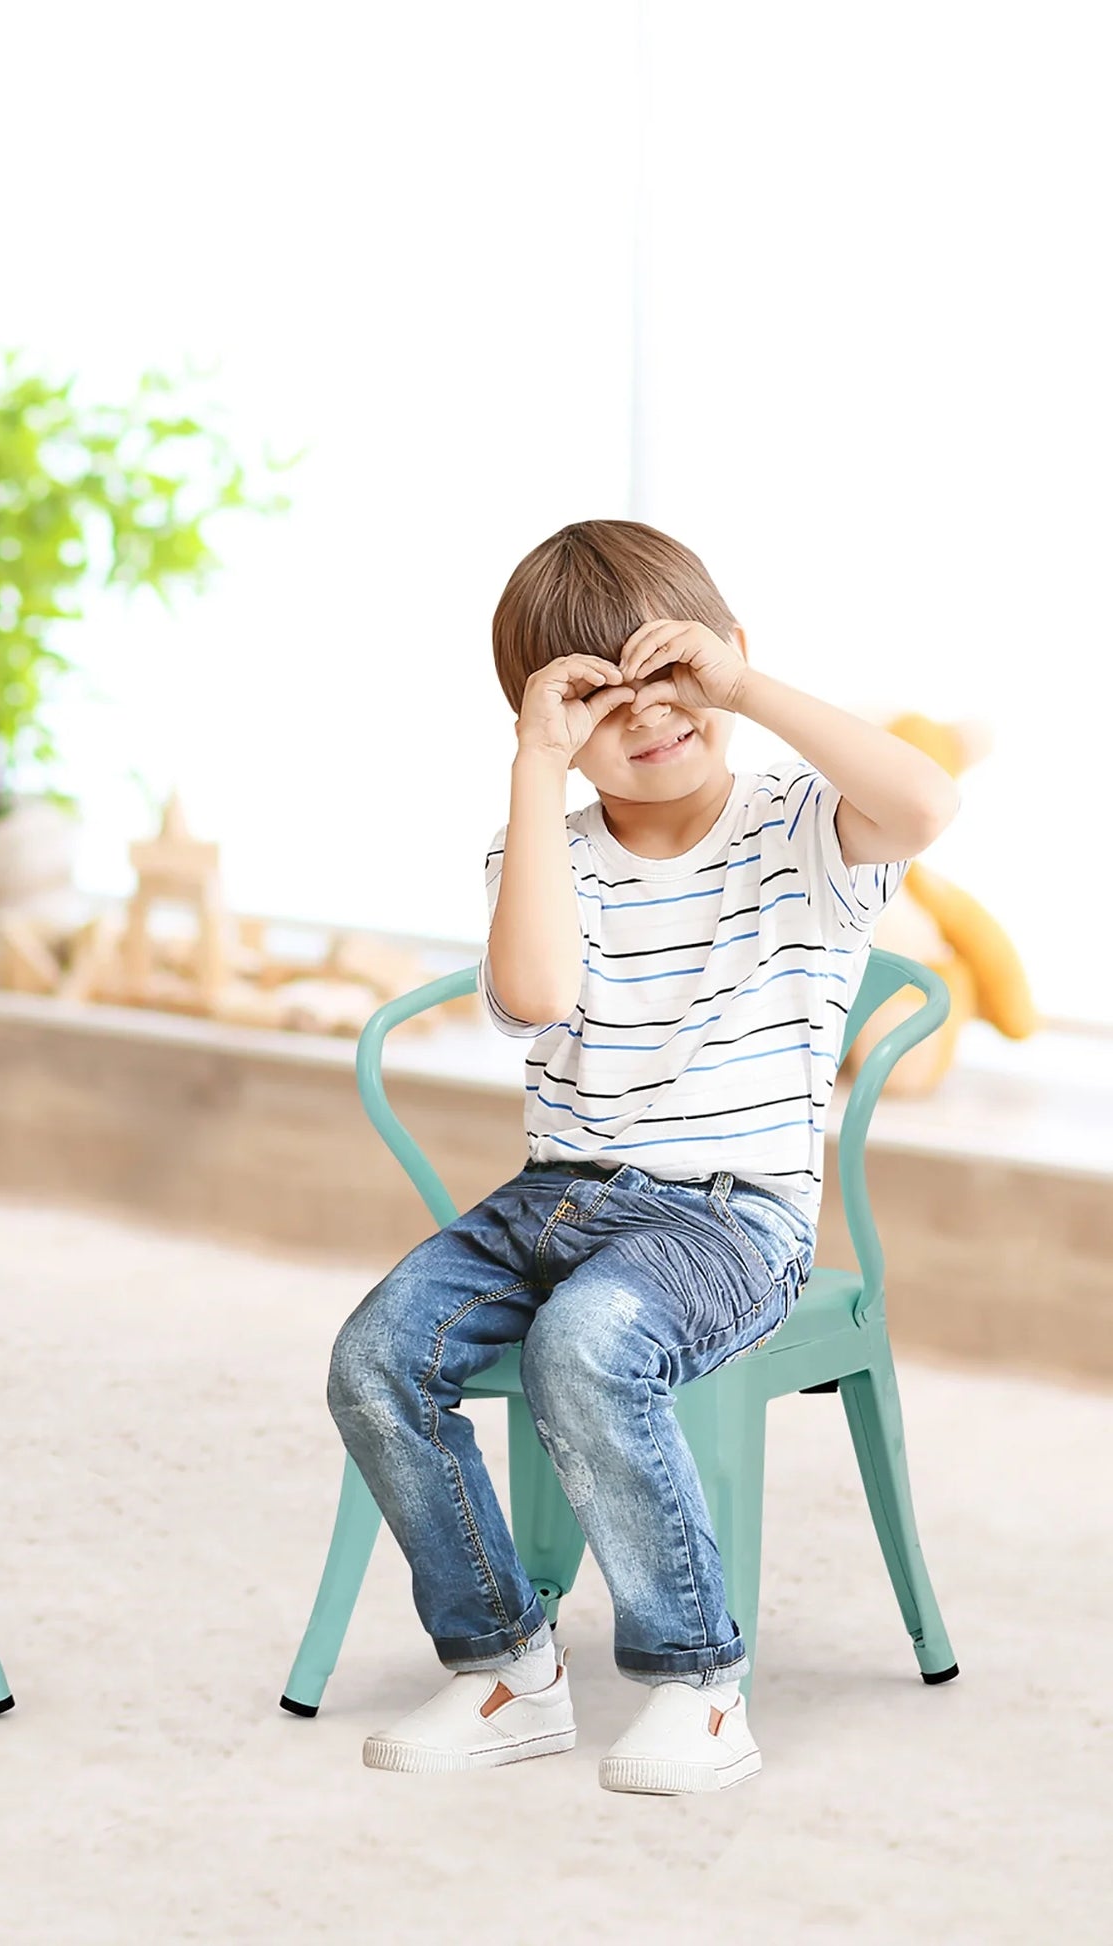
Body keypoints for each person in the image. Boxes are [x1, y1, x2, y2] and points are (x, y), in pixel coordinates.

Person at [326, 519, 959, 1793]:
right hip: (551, 1200)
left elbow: (925, 801)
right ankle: (506, 1664)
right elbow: (534, 986)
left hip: (730, 1218)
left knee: (586, 1344)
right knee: (373, 1355)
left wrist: (743, 689)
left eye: (670, 681)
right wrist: (531, 761)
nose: (646, 718)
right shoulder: (538, 851)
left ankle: (695, 1684)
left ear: (723, 658)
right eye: (594, 700)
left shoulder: (803, 831)